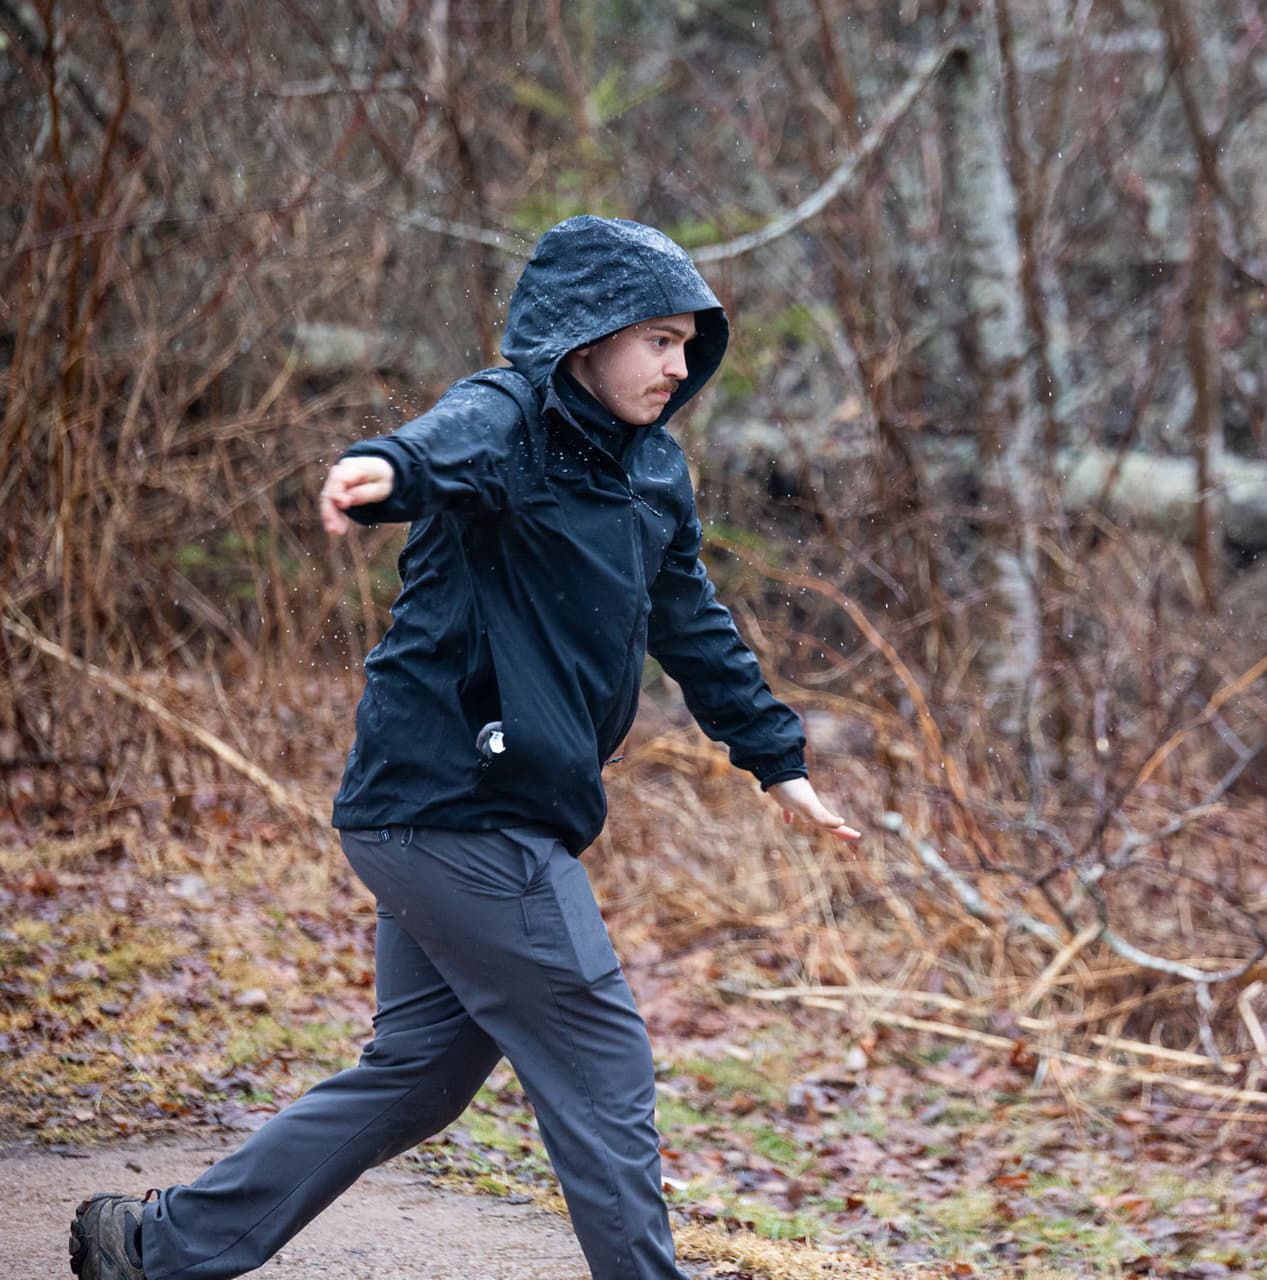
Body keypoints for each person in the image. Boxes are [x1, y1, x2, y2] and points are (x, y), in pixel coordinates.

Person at [68, 215, 859, 1280]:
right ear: (589, 337)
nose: (679, 364)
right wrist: (379, 472)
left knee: (420, 1073)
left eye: (687, 343)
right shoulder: (509, 419)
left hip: (446, 812)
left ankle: (155, 1247)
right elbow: (439, 450)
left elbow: (692, 622)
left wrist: (777, 756)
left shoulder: (653, 471)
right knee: (601, 1055)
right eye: (658, 339)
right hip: (462, 804)